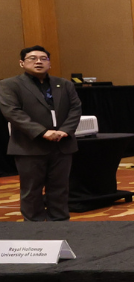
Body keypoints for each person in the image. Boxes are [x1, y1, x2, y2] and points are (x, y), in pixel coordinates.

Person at [0, 45, 81, 221]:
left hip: (62, 145)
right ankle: (35, 229)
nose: (38, 61)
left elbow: (75, 109)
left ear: (49, 63)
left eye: (43, 58)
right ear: (22, 63)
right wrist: (42, 132)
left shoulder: (64, 84)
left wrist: (65, 131)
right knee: (32, 191)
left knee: (60, 188)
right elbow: (12, 112)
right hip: (29, 146)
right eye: (32, 58)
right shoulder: (9, 85)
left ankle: (61, 225)